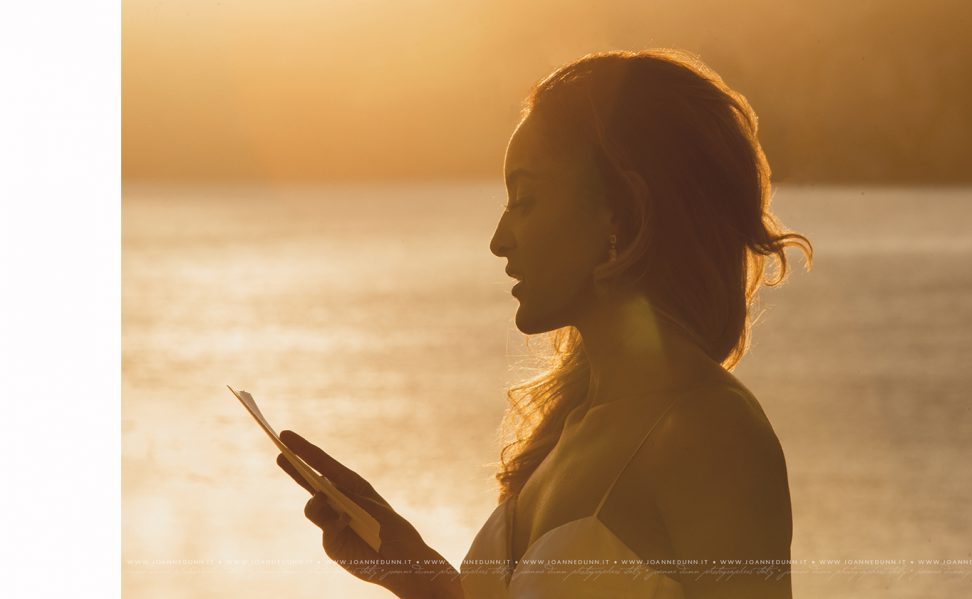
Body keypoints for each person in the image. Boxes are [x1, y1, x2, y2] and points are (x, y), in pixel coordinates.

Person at [277, 48, 812, 599]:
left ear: (619, 212)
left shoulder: (710, 430)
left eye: (525, 200)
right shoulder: (565, 427)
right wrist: (409, 568)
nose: (499, 240)